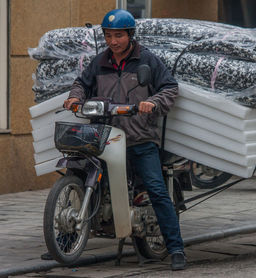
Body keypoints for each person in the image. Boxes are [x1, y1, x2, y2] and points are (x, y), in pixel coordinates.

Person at [64, 9, 186, 271]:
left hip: (139, 138)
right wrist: (75, 97)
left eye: (118, 35)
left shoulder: (147, 61)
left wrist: (152, 103)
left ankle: (176, 248)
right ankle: (64, 240)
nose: (113, 41)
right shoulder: (99, 62)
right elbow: (81, 84)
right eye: (108, 35)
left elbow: (170, 88)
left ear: (130, 35)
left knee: (155, 189)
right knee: (78, 173)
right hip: (105, 137)